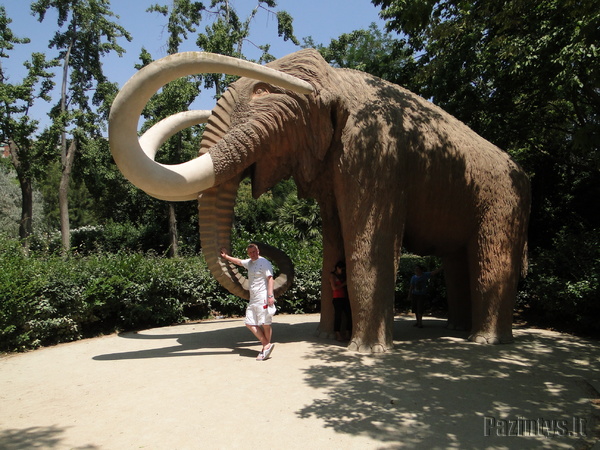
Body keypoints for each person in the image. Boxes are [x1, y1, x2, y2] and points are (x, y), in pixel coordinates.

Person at [220, 243, 276, 361]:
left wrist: (271, 295)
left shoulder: (264, 262)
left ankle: (265, 348)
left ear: (258, 251)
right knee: (249, 322)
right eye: (250, 253)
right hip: (253, 298)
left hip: (263, 297)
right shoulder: (249, 263)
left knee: (265, 323)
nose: (252, 254)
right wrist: (226, 257)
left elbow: (270, 278)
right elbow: (239, 262)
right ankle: (266, 344)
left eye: (254, 252)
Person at [329, 261, 352, 341]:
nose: (342, 271)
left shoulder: (341, 275)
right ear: (337, 268)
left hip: (344, 298)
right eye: (341, 269)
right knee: (338, 316)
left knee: (349, 315)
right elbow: (334, 288)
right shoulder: (332, 276)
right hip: (337, 298)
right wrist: (344, 284)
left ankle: (347, 332)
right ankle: (337, 334)